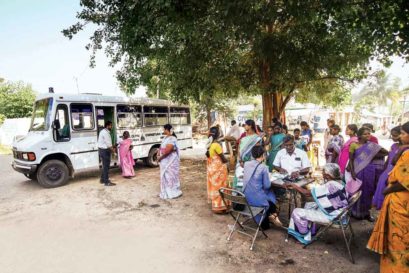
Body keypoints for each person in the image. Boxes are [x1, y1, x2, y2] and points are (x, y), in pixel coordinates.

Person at [367, 122, 409, 273]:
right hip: (398, 201)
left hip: (402, 202)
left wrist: (388, 189)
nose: (401, 136)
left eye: (404, 133)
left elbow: (405, 182)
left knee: (399, 240)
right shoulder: (404, 150)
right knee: (395, 239)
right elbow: (392, 162)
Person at [287, 163, 353, 244]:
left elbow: (307, 193)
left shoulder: (330, 185)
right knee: (310, 205)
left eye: (323, 172)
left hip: (334, 217)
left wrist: (294, 186)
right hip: (341, 214)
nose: (322, 174)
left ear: (328, 176)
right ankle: (311, 231)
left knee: (297, 212)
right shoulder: (341, 182)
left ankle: (303, 236)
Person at [347, 127, 388, 221]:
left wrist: (371, 155)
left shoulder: (372, 146)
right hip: (358, 170)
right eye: (365, 134)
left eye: (369, 133)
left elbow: (385, 153)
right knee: (357, 192)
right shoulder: (354, 145)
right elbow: (351, 159)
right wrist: (353, 172)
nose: (368, 135)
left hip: (369, 171)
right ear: (359, 135)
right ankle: (355, 213)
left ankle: (366, 213)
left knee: (368, 192)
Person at [243, 146, 280, 229]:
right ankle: (273, 215)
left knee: (265, 193)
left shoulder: (246, 164)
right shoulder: (263, 167)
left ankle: (271, 215)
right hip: (257, 200)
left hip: (246, 197)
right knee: (271, 195)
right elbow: (267, 185)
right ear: (263, 155)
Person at [372, 126, 401, 210]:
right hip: (386, 171)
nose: (393, 137)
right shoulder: (394, 146)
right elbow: (388, 159)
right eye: (392, 135)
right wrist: (383, 171)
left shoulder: (405, 149)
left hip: (395, 172)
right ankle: (381, 207)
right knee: (381, 188)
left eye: (395, 135)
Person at [206, 126, 229, 213]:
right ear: (218, 134)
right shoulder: (217, 145)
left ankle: (215, 205)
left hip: (212, 168)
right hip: (219, 169)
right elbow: (223, 158)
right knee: (221, 187)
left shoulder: (210, 144)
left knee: (214, 188)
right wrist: (228, 162)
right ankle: (220, 208)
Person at [234, 119, 262, 189]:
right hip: (240, 162)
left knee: (249, 182)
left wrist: (247, 163)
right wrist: (240, 160)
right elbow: (239, 149)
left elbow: (256, 152)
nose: (244, 126)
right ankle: (238, 195)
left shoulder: (256, 138)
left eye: (245, 125)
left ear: (250, 126)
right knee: (239, 178)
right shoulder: (243, 138)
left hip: (251, 162)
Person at [157, 124, 182, 199]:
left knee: (170, 176)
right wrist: (158, 152)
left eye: (164, 129)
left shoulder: (172, 138)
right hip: (165, 160)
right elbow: (162, 147)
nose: (163, 130)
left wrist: (160, 158)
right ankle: (166, 191)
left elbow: (168, 151)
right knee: (166, 176)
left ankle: (172, 192)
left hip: (170, 161)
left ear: (167, 130)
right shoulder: (166, 138)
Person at [98, 121, 116, 186]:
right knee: (106, 167)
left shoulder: (103, 131)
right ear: (107, 126)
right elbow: (109, 145)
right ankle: (106, 182)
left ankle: (102, 179)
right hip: (105, 151)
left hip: (102, 150)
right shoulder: (105, 133)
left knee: (105, 166)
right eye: (111, 125)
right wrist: (114, 151)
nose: (112, 127)